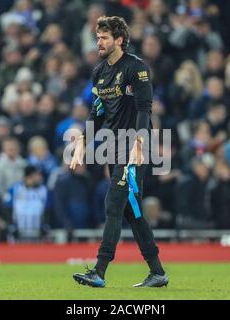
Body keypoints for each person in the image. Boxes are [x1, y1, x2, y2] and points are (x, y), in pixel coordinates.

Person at [70, 16, 168, 288]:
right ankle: (157, 272)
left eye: (103, 37)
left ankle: (99, 271)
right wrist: (83, 141)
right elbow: (97, 111)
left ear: (119, 40)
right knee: (131, 212)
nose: (98, 42)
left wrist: (138, 143)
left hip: (133, 146)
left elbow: (144, 109)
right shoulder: (99, 71)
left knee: (113, 204)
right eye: (97, 37)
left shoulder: (136, 68)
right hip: (113, 148)